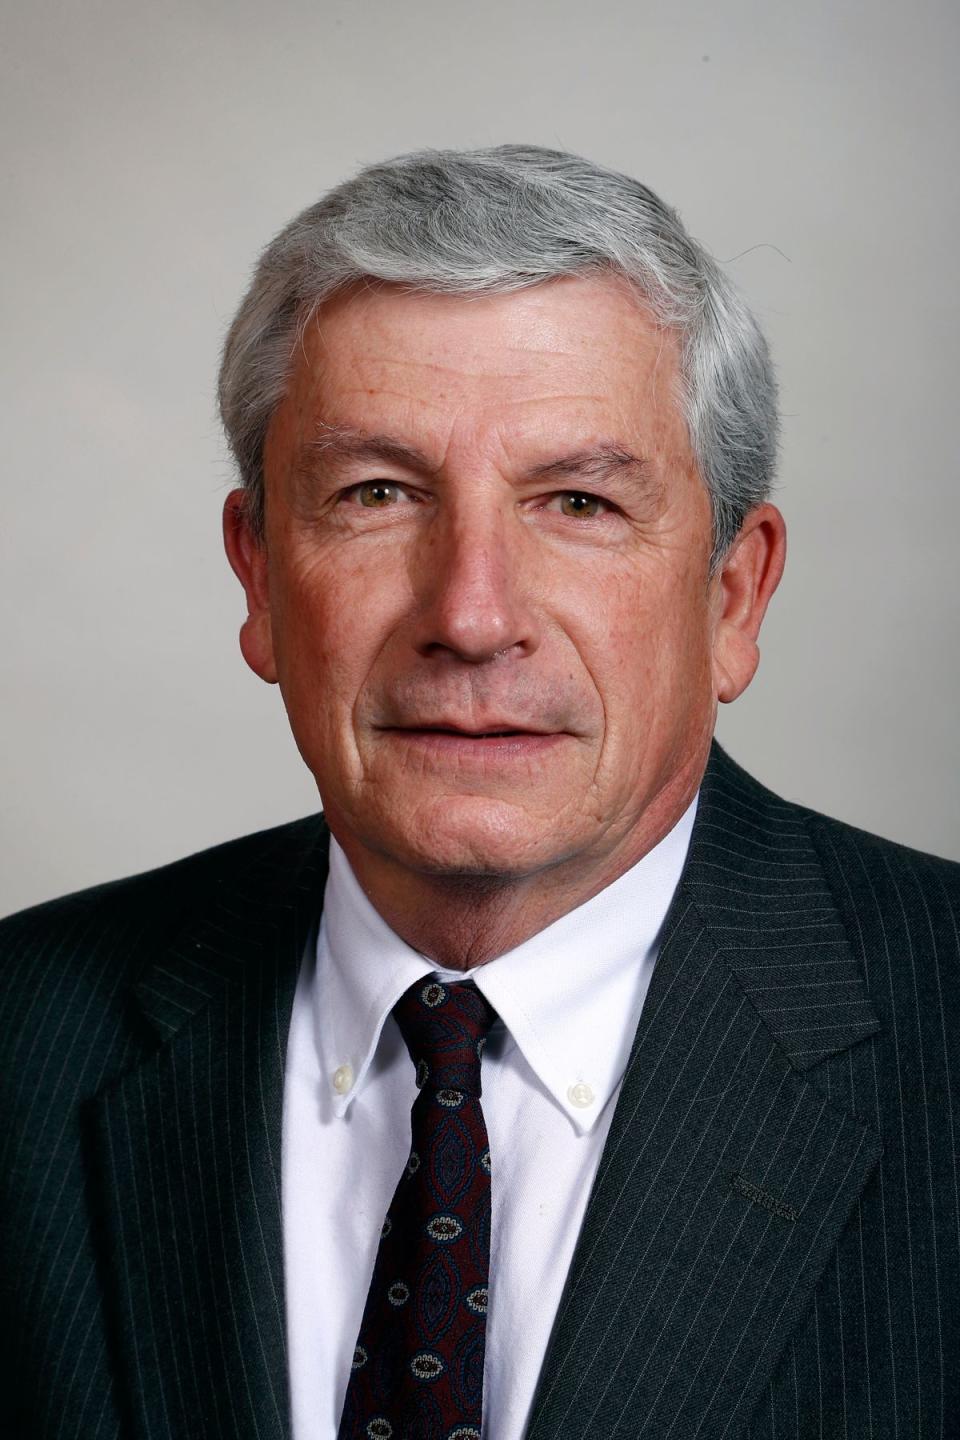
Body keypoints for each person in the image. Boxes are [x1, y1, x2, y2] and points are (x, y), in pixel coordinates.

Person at [1, 146, 957, 1440]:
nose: (470, 614)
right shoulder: (23, 1039)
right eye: (377, 494)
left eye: (578, 501)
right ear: (261, 578)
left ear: (734, 596)